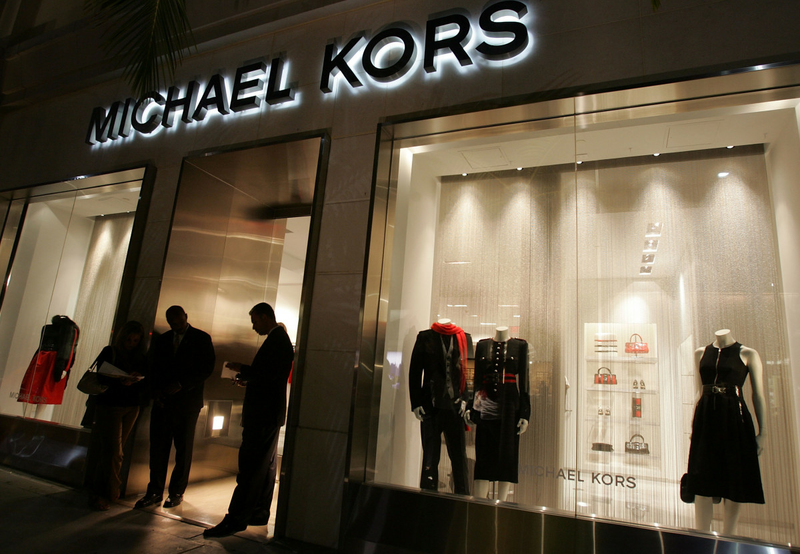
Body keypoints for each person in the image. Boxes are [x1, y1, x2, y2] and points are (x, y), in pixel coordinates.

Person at [204, 302, 294, 538]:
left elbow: (266, 374)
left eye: (254, 321)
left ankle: (236, 518)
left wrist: (244, 370)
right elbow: (270, 376)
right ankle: (258, 512)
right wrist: (248, 377)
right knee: (265, 466)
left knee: (251, 466)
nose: (253, 327)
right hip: (269, 414)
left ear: (264, 317)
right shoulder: (280, 340)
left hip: (262, 414)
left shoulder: (277, 340)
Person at [683, 328, 766, 535]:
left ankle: (729, 535)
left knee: (734, 475)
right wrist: (693, 424)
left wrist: (762, 432)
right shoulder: (700, 353)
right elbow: (699, 391)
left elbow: (758, 395)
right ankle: (701, 535)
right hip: (706, 418)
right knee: (701, 476)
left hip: (734, 418)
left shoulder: (747, 354)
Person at [135, 306, 215, 509]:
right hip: (164, 401)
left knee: (183, 449)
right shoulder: (163, 340)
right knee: (158, 449)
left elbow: (206, 369)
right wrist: (157, 393)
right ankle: (155, 491)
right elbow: (153, 368)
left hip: (187, 403)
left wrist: (182, 384)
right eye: (173, 323)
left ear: (186, 317)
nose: (176, 326)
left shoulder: (201, 338)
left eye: (179, 322)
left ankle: (176, 491)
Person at [88, 321, 147, 511]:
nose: (131, 343)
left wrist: (135, 379)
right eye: (129, 340)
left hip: (131, 405)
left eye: (135, 341)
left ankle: (100, 492)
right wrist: (120, 379)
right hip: (111, 404)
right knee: (114, 452)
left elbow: (146, 378)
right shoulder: (110, 351)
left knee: (112, 452)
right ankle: (111, 490)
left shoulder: (140, 356)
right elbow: (101, 375)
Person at [408, 319, 472, 495]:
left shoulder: (464, 338)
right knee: (430, 457)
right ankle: (428, 500)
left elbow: (467, 373)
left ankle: (462, 499)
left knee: (459, 458)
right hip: (430, 406)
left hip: (455, 407)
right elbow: (415, 371)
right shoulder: (425, 337)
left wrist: (466, 399)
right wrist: (416, 403)